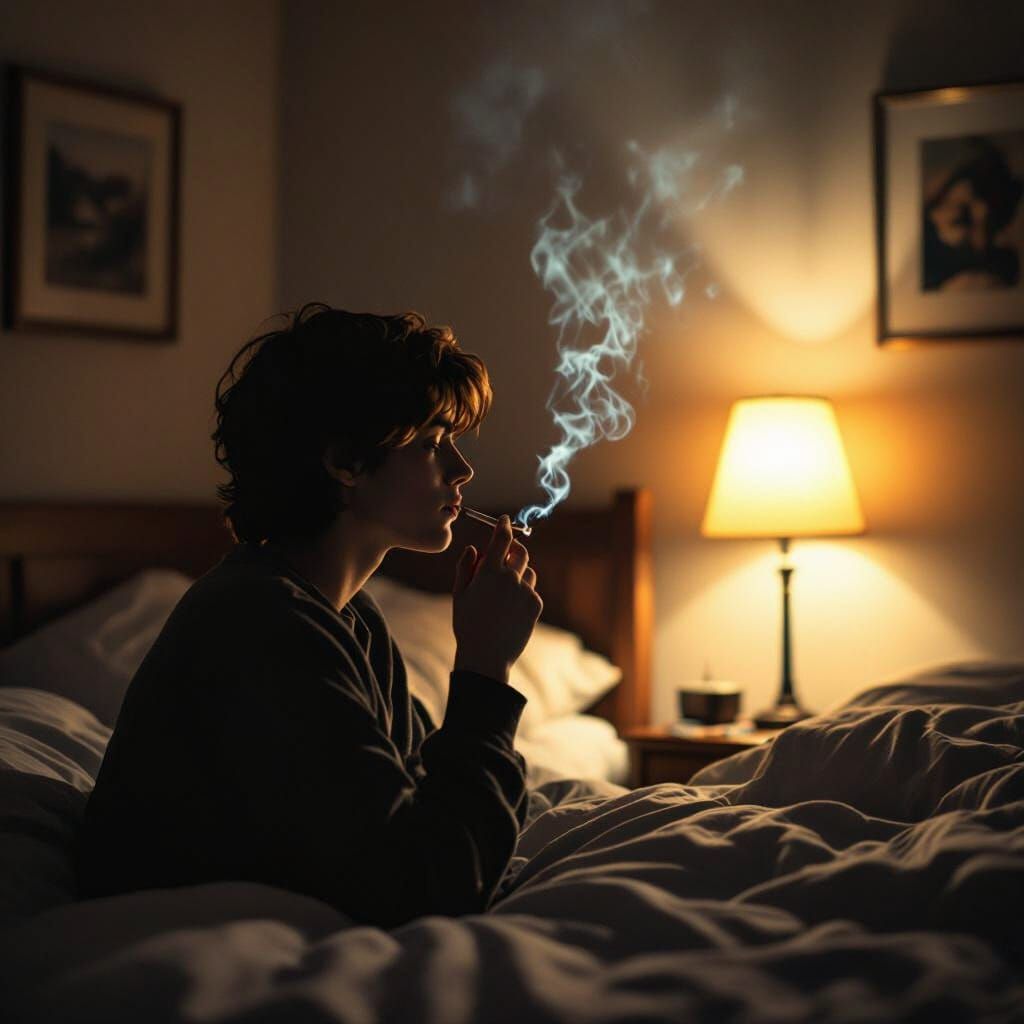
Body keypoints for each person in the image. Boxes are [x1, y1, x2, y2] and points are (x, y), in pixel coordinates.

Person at [77, 303, 543, 928]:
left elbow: (422, 807)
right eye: (433, 444)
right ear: (346, 461)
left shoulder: (351, 620)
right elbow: (436, 883)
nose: (462, 470)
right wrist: (485, 666)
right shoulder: (259, 624)